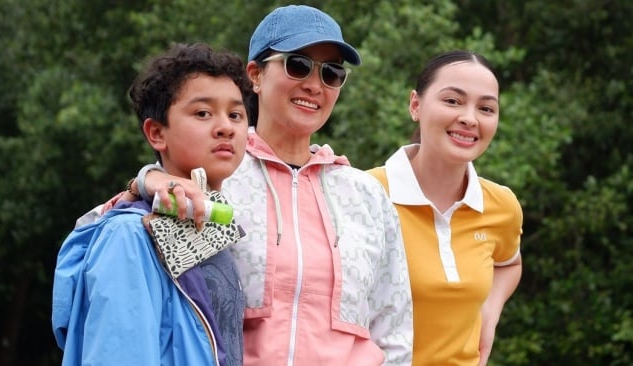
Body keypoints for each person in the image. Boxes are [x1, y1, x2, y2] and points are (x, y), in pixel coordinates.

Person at [114, 5, 413, 366]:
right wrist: (148, 178)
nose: (314, 85)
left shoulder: (366, 196)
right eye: (298, 65)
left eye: (332, 73)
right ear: (255, 74)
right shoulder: (213, 173)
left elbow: (394, 329)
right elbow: (111, 235)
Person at [52, 42, 251, 365]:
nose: (226, 127)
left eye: (236, 114)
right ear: (156, 133)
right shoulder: (130, 235)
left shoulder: (214, 230)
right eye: (203, 113)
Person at [367, 50, 524, 366]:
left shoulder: (501, 205)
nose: (470, 117)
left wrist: (489, 313)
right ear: (416, 105)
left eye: (486, 108)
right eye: (453, 101)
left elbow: (508, 263)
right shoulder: (364, 195)